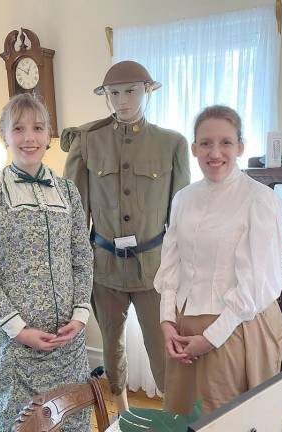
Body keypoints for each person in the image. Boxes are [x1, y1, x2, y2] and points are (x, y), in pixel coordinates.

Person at [61, 60, 190, 412]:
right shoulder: (87, 142)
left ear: (147, 90)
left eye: (131, 90)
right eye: (114, 93)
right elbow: (75, 216)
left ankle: (171, 415)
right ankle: (120, 412)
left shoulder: (173, 144)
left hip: (154, 269)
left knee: (162, 347)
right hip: (103, 268)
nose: (122, 100)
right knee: (111, 346)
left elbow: (180, 221)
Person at [0, 93, 93, 431]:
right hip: (13, 348)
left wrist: (80, 316)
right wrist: (18, 329)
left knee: (72, 420)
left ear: (48, 134)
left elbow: (82, 257)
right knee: (18, 424)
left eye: (37, 128)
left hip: (67, 345)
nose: (28, 137)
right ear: (4, 135)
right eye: (18, 129)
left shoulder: (68, 192)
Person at [154, 105, 282, 415]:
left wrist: (211, 338)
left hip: (235, 327)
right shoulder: (183, 198)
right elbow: (171, 266)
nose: (215, 152)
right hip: (185, 328)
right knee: (183, 415)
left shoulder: (261, 200)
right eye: (206, 143)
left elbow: (256, 285)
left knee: (223, 417)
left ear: (240, 146)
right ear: (194, 148)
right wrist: (166, 322)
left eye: (225, 142)